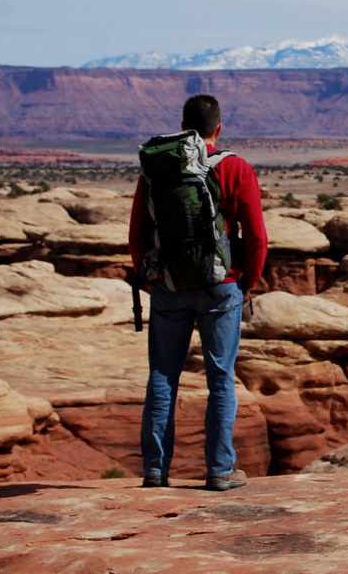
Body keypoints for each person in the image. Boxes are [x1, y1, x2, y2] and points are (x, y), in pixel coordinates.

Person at [128, 94, 268, 490]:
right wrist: (247, 282)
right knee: (220, 380)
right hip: (222, 287)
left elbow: (137, 233)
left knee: (162, 376)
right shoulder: (235, 168)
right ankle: (220, 471)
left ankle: (156, 470)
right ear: (218, 129)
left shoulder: (157, 168)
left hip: (169, 286)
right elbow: (256, 235)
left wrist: (151, 278)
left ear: (185, 125)